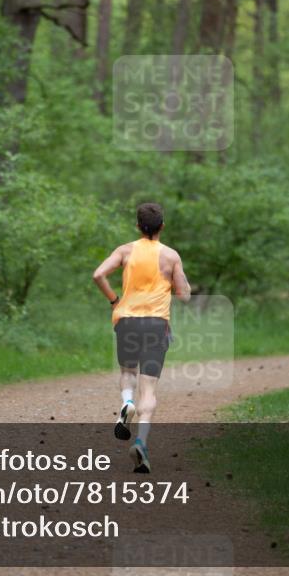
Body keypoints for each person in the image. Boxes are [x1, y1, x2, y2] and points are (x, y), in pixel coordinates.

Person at [92, 203, 190, 473]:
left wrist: (114, 300)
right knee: (149, 388)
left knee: (128, 373)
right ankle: (141, 444)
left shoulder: (125, 251)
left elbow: (98, 274)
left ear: (137, 226)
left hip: (126, 322)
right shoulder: (171, 256)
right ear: (162, 227)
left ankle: (126, 404)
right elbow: (184, 294)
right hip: (157, 325)